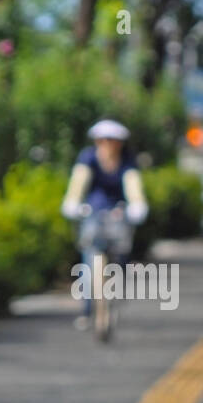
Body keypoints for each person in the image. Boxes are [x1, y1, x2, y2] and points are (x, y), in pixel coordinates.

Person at [60, 119, 148, 330]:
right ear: (97, 141)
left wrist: (138, 204)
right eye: (104, 140)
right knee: (89, 261)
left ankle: (116, 295)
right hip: (93, 214)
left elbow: (132, 184)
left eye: (113, 140)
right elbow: (78, 182)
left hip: (117, 214)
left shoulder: (127, 161)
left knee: (121, 256)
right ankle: (87, 309)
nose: (108, 144)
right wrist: (72, 201)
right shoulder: (88, 158)